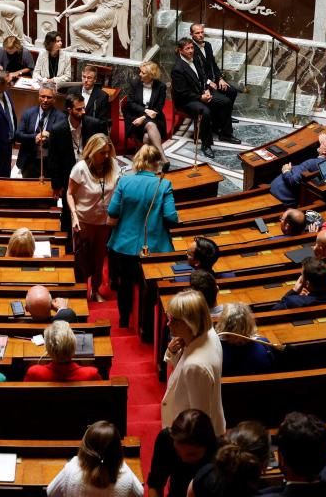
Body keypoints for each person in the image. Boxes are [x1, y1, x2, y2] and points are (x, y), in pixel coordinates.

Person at [106, 145, 176, 328]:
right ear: (156, 163)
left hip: (125, 243)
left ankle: (123, 320)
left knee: (125, 284)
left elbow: (113, 210)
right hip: (155, 245)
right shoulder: (164, 184)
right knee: (150, 286)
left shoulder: (124, 182)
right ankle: (146, 326)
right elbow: (170, 217)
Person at [162, 289, 225, 432]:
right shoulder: (208, 334)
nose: (168, 324)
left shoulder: (195, 367)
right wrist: (172, 352)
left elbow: (199, 419)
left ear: (188, 323)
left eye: (172, 319)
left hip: (189, 437)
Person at [69, 134, 119, 301]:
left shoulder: (112, 165)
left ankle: (95, 290)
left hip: (104, 222)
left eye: (107, 152)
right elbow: (70, 194)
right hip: (84, 221)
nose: (106, 156)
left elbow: (117, 190)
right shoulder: (80, 168)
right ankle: (81, 291)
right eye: (102, 152)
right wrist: (74, 216)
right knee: (82, 259)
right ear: (92, 151)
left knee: (99, 259)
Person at [47, 420, 143, 496]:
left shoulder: (71, 469)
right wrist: (122, 464)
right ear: (118, 451)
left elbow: (51, 492)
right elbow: (140, 493)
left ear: (86, 449)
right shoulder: (126, 476)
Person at [147, 409, 219, 497]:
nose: (184, 459)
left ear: (207, 445)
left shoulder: (219, 454)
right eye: (178, 451)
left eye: (192, 454)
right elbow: (155, 484)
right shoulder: (166, 440)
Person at [124, 60, 168, 150]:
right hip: (135, 117)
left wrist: (143, 118)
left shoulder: (161, 87)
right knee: (149, 129)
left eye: (143, 73)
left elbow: (158, 108)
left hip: (154, 118)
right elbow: (130, 103)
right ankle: (162, 158)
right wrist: (145, 111)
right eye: (140, 71)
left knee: (148, 136)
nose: (140, 74)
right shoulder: (135, 84)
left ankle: (144, 158)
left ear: (151, 75)